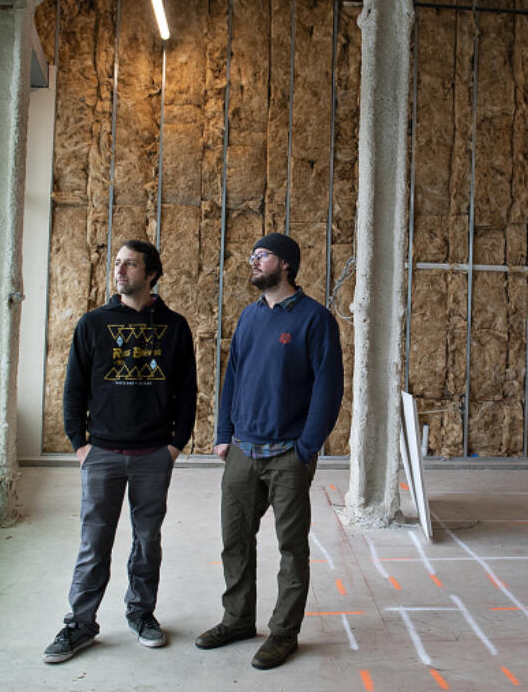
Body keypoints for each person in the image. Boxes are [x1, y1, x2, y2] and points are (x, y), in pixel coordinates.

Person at [195, 232, 344, 670]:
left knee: (291, 548)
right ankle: (238, 619)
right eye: (252, 256)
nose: (253, 262)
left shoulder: (315, 319)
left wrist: (306, 449)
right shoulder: (249, 317)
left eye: (262, 256)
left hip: (287, 455)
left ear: (286, 264)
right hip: (242, 448)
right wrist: (224, 433)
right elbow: (233, 378)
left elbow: (328, 390)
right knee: (235, 540)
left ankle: (283, 633)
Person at [43, 240, 196, 664]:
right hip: (103, 453)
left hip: (153, 455)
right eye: (117, 263)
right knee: (94, 541)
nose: (120, 270)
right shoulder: (93, 324)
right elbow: (73, 390)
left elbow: (187, 393)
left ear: (151, 274)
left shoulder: (175, 327)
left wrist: (174, 446)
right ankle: (80, 623)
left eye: (130, 264)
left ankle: (142, 613)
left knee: (147, 540)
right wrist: (81, 446)